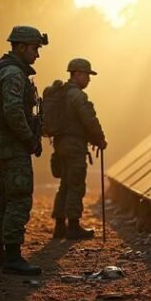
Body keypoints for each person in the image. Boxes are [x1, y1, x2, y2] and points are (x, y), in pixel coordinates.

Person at [0, 25, 46, 275]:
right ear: (21, 47)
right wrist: (29, 139)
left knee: (5, 197)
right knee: (19, 197)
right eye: (34, 48)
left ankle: (0, 254)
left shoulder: (8, 70)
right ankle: (12, 256)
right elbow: (13, 111)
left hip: (3, 146)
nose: (37, 54)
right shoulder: (13, 73)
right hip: (11, 147)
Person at [51, 58, 107, 239]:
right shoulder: (77, 95)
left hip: (60, 145)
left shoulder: (61, 93)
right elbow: (89, 119)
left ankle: (59, 226)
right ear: (77, 74)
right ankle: (73, 226)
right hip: (74, 145)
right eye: (87, 75)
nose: (89, 79)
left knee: (65, 184)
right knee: (75, 184)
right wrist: (100, 138)